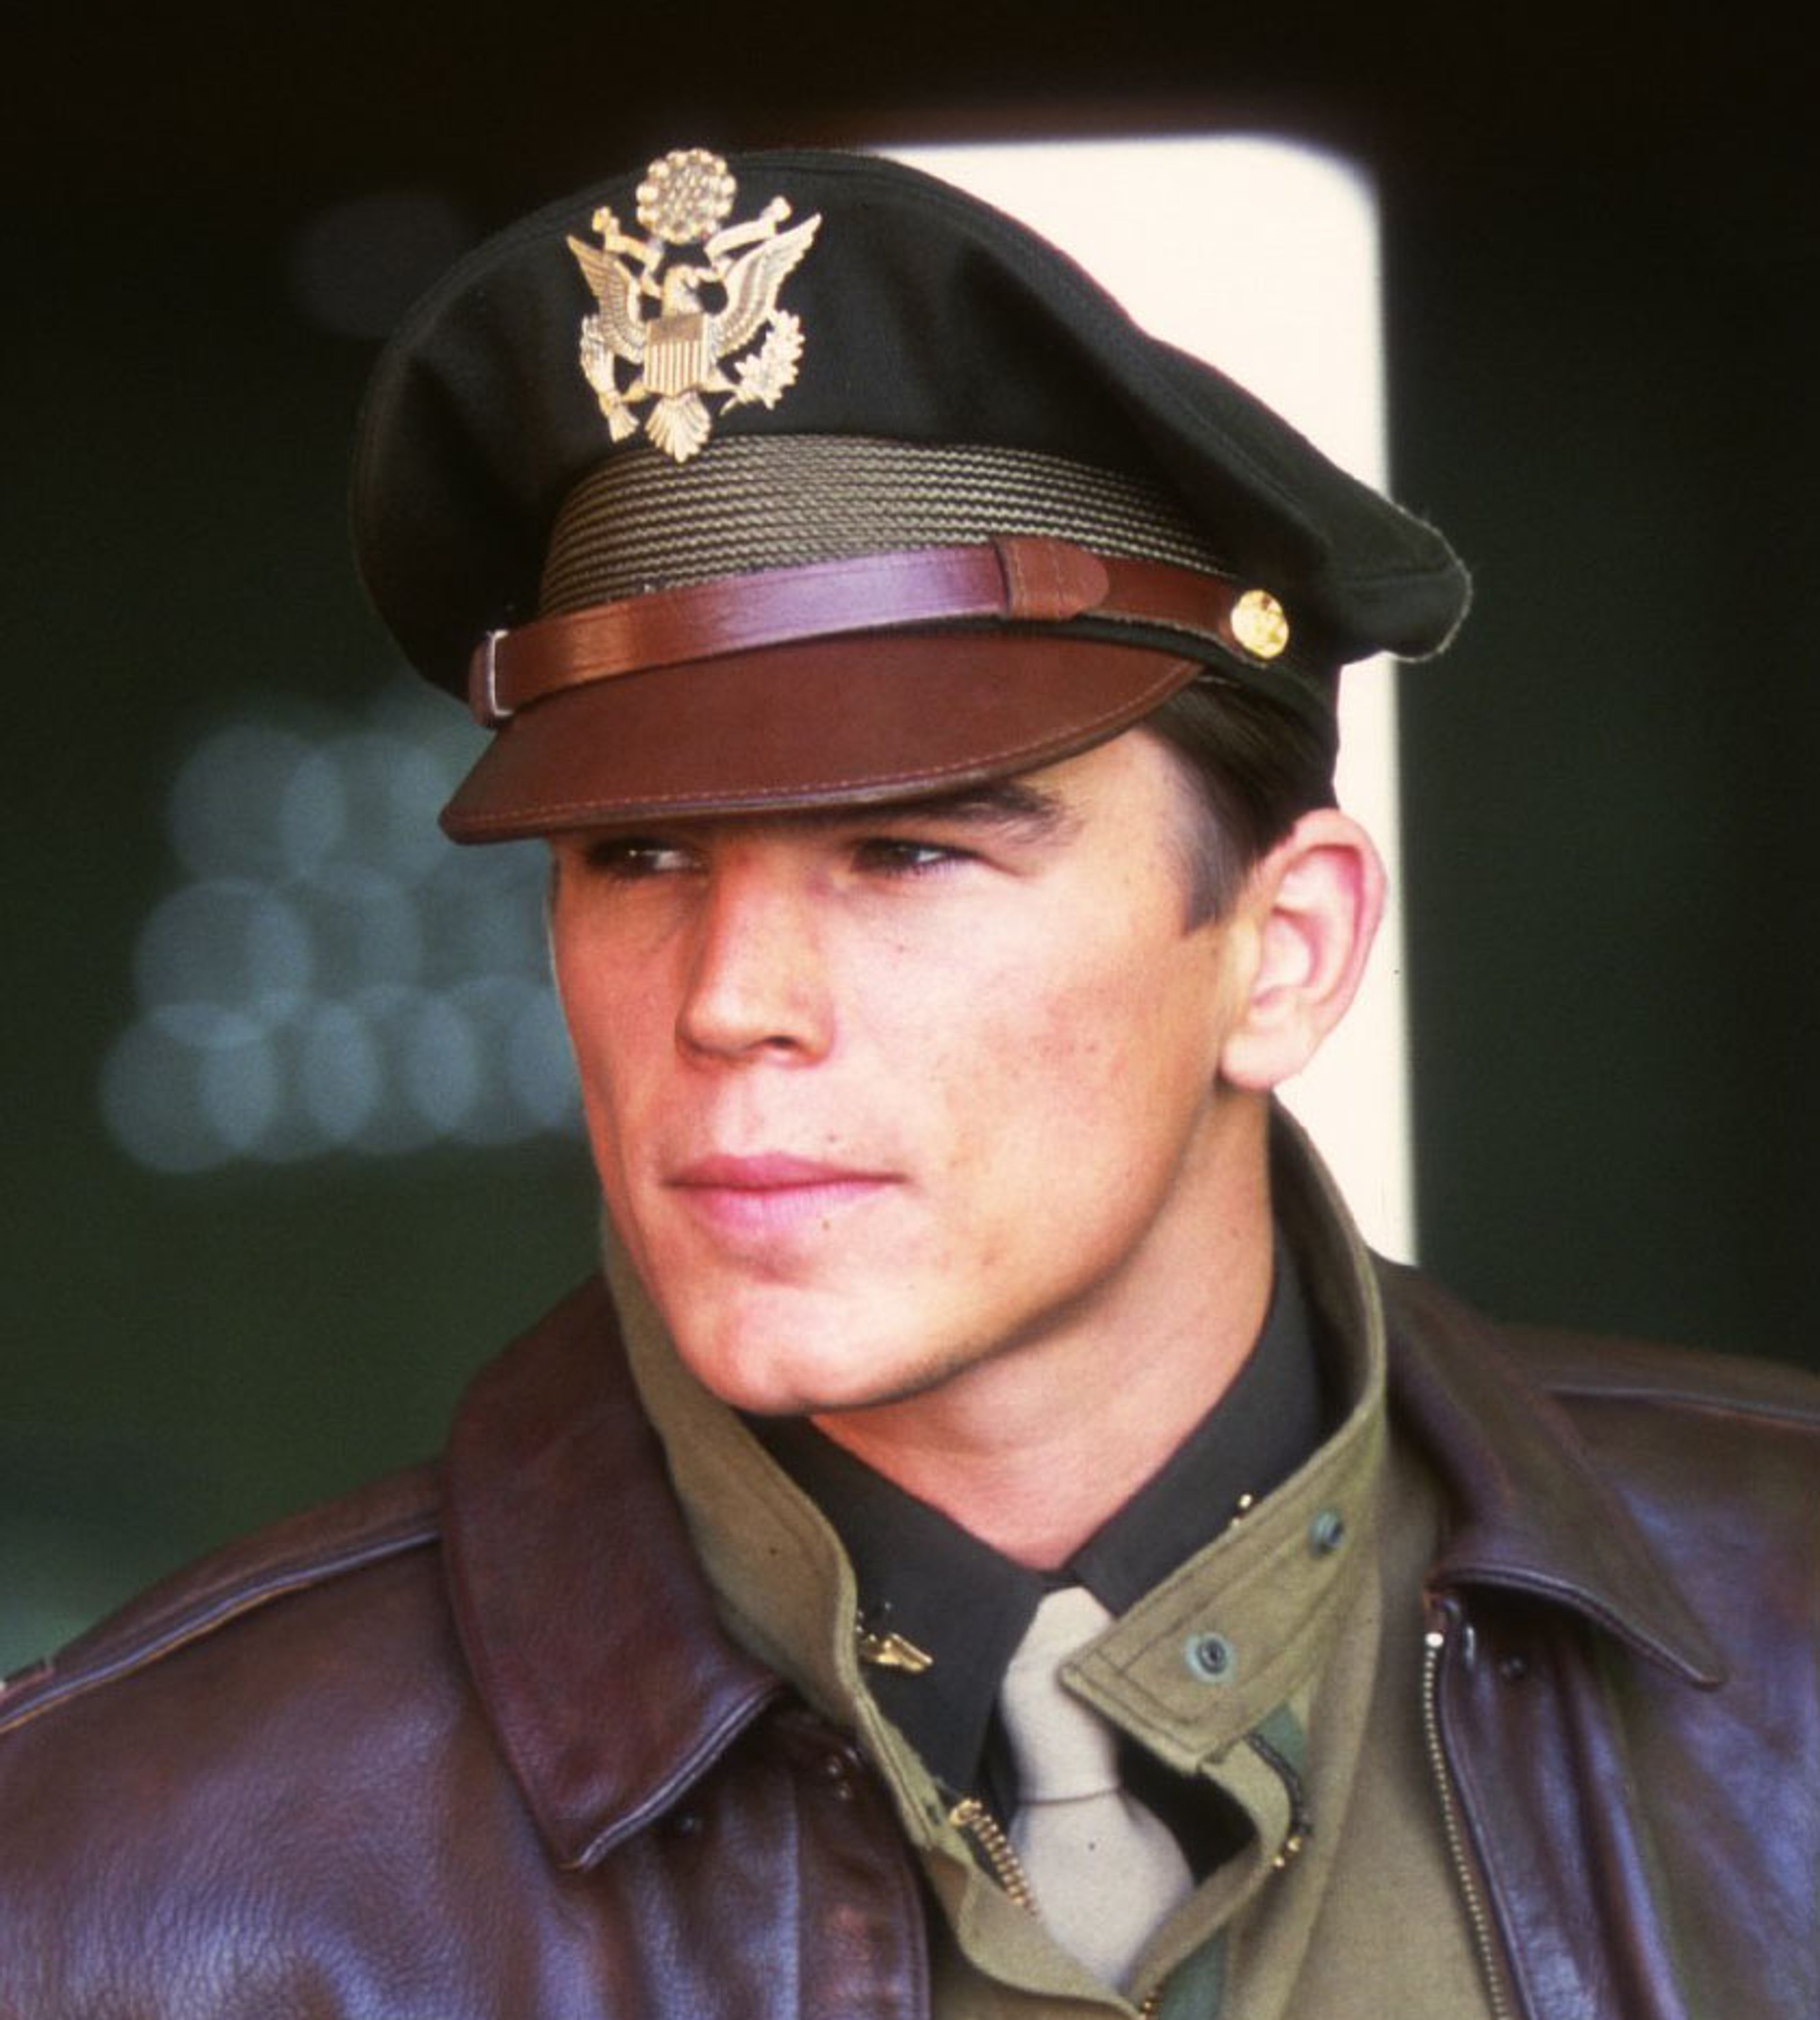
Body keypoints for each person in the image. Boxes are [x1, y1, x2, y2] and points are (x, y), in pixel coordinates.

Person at [1, 145, 1816, 2020]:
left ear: (1284, 951)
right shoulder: (113, 1884)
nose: (731, 1000)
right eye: (639, 857)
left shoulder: (1792, 1662)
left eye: (911, 852)